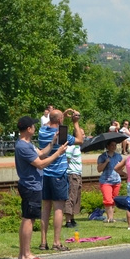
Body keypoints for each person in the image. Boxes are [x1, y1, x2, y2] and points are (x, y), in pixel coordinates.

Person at [14, 115, 65, 259]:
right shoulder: (23, 146)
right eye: (33, 126)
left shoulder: (27, 144)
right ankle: (26, 254)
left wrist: (53, 143)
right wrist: (58, 153)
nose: (35, 128)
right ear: (29, 129)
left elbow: (41, 153)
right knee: (29, 220)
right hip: (31, 186)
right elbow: (40, 163)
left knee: (27, 218)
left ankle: (22, 253)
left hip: (32, 185)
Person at [38, 108, 84, 251]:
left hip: (45, 174)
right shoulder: (61, 135)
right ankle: (56, 242)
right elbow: (79, 140)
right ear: (59, 121)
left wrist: (61, 116)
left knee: (45, 208)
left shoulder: (42, 131)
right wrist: (75, 123)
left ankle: (43, 242)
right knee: (58, 208)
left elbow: (52, 122)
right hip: (58, 174)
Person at [96, 138, 124, 223]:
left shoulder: (118, 156)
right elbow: (99, 169)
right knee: (108, 200)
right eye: (112, 145)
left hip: (116, 180)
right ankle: (110, 218)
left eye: (115, 145)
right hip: (106, 181)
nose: (114, 147)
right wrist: (106, 162)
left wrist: (120, 166)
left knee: (114, 200)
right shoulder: (102, 156)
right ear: (107, 146)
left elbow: (121, 168)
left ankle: (111, 217)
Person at [63, 132, 83, 228]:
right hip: (72, 174)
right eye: (82, 134)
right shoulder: (72, 146)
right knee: (71, 196)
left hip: (78, 174)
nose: (83, 136)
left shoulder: (78, 147)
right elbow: (67, 158)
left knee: (76, 197)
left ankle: (72, 218)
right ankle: (68, 221)